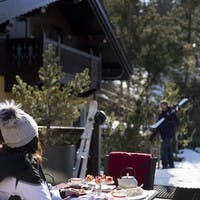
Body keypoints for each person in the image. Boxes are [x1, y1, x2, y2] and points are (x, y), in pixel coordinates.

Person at [0, 100, 56, 200]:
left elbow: (28, 190)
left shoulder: (6, 158)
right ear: (33, 139)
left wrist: (62, 192)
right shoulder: (22, 167)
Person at [149, 100, 179, 169]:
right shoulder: (161, 116)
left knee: (163, 149)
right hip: (164, 135)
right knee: (168, 149)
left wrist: (171, 121)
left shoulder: (172, 113)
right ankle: (171, 164)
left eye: (163, 105)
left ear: (166, 105)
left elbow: (177, 122)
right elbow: (158, 127)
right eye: (161, 106)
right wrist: (152, 136)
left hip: (170, 135)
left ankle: (165, 165)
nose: (162, 107)